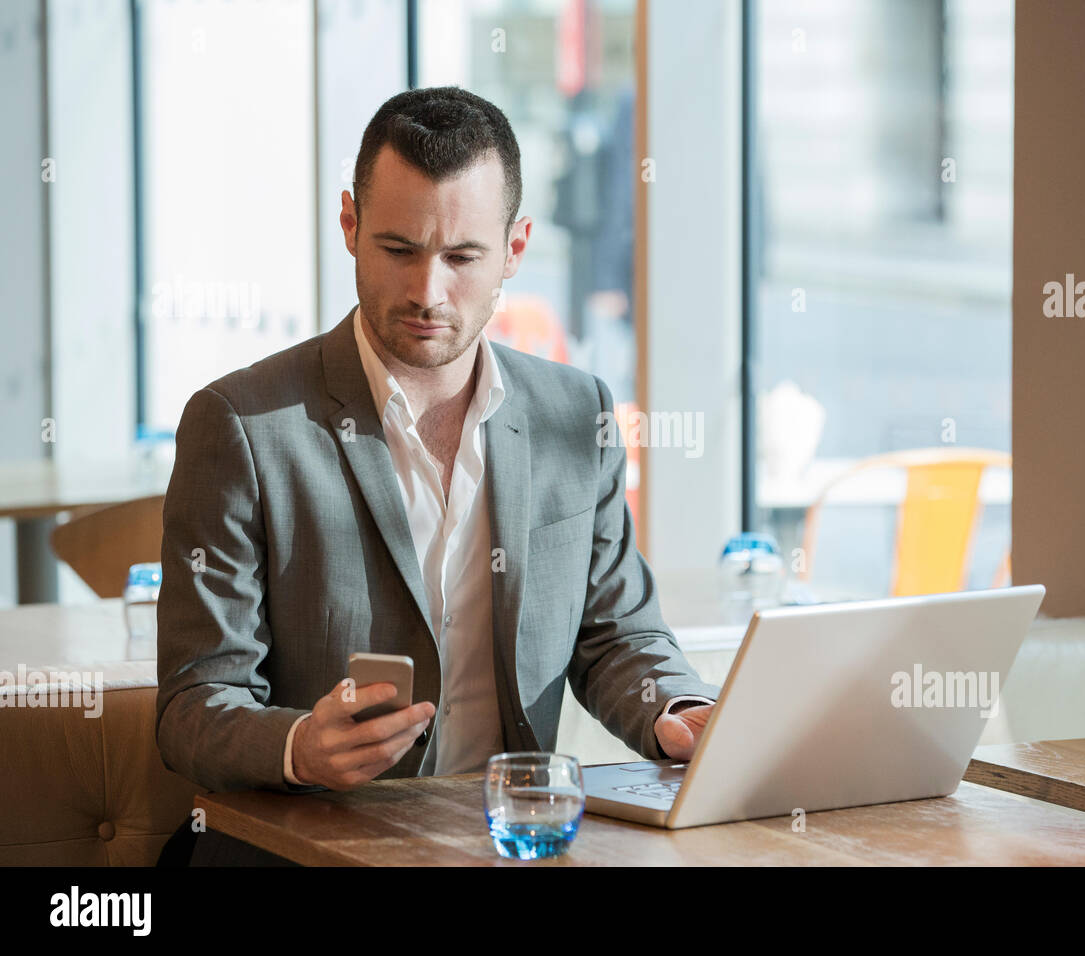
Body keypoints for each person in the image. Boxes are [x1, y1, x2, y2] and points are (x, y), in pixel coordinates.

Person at [154, 87, 718, 866]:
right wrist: (297, 747)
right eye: (399, 250)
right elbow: (192, 707)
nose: (427, 292)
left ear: (516, 248)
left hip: (509, 845)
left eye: (461, 258)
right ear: (349, 225)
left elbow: (616, 634)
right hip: (307, 852)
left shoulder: (573, 412)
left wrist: (679, 711)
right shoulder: (242, 426)